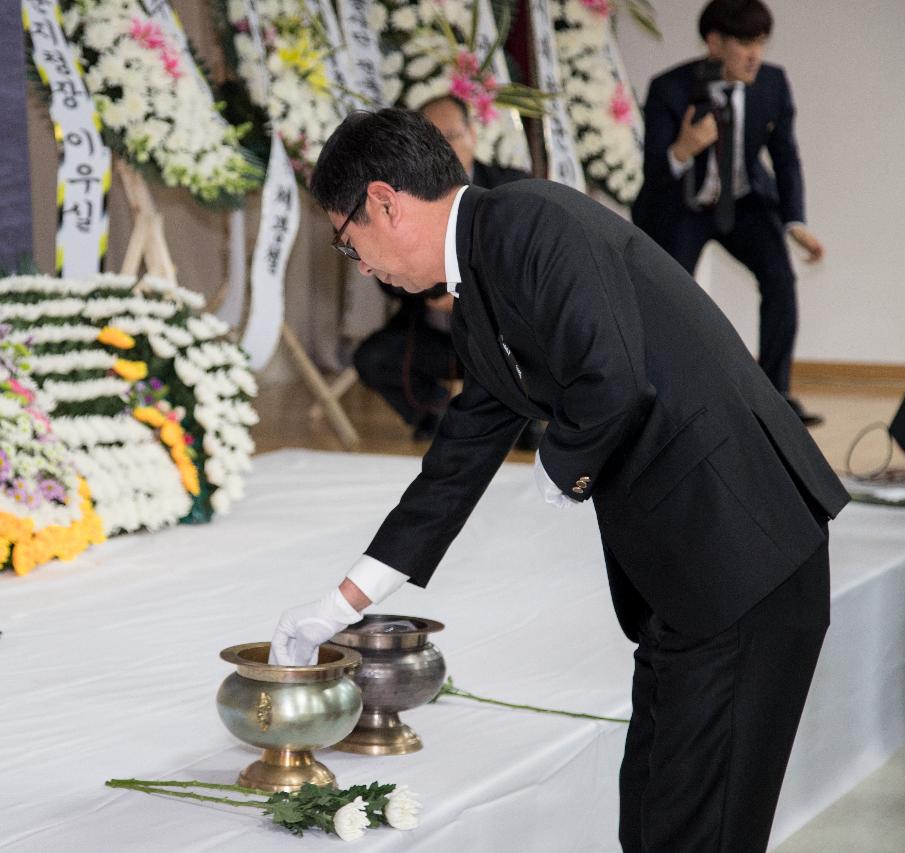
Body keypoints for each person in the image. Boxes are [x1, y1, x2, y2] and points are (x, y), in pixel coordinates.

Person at [270, 107, 849, 852]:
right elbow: (456, 462)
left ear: (384, 201)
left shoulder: (530, 221)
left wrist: (559, 464)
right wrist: (337, 602)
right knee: (650, 813)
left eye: (350, 246)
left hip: (744, 553)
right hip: (692, 576)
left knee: (699, 827)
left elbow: (614, 376)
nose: (364, 267)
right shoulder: (480, 282)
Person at [632, 0, 824, 426]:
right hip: (683, 206)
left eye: (761, 42)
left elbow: (785, 156)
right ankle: (656, 395)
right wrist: (684, 148)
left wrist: (796, 223)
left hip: (744, 202)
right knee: (665, 297)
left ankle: (776, 397)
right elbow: (651, 175)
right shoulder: (670, 88)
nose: (755, 54)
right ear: (714, 43)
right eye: (744, 43)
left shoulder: (772, 84)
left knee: (780, 281)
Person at [352, 94, 533, 443]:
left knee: (535, 356)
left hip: (501, 334)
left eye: (452, 136)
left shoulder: (511, 186)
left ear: (473, 135)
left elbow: (525, 267)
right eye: (432, 140)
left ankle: (523, 421)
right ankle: (435, 414)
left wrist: (470, 295)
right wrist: (423, 283)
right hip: (434, 330)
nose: (445, 149)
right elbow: (383, 275)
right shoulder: (396, 194)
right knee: (374, 358)